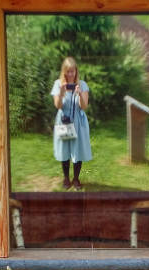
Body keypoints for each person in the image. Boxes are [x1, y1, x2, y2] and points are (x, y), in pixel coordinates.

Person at [51, 57, 92, 190]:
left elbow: (84, 106)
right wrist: (62, 92)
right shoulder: (58, 84)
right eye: (67, 71)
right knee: (65, 150)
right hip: (64, 120)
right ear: (64, 71)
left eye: (72, 71)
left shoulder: (83, 84)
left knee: (77, 150)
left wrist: (80, 94)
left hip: (78, 121)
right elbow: (58, 106)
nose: (70, 74)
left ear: (76, 71)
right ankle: (66, 179)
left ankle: (76, 179)